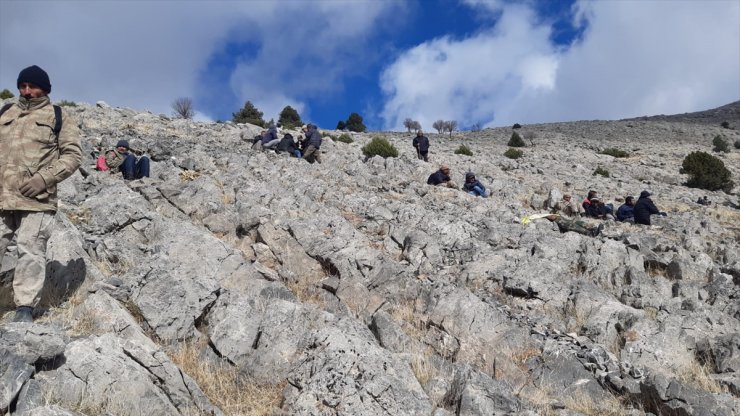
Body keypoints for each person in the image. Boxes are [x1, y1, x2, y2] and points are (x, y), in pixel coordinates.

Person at [0, 65, 82, 322]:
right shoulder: (5, 112)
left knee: (30, 249)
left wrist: (43, 179)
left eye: (32, 86)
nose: (27, 91)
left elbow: (73, 156)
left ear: (45, 88)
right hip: (2, 196)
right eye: (22, 86)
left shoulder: (59, 116)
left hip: (36, 200)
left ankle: (24, 308)